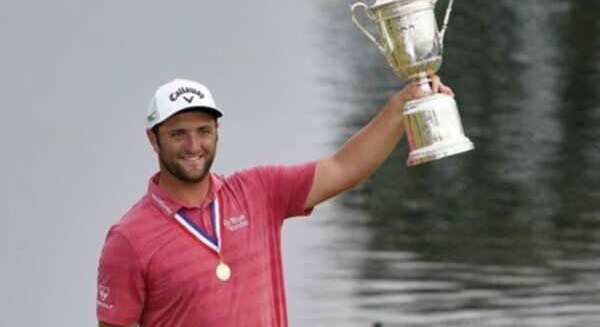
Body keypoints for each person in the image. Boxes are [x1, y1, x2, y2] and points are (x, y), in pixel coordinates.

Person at [97, 76, 454, 327]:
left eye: (203, 131)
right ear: (153, 139)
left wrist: (402, 104)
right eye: (178, 134)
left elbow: (345, 168)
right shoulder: (129, 240)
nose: (193, 146)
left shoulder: (258, 191)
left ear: (217, 132)